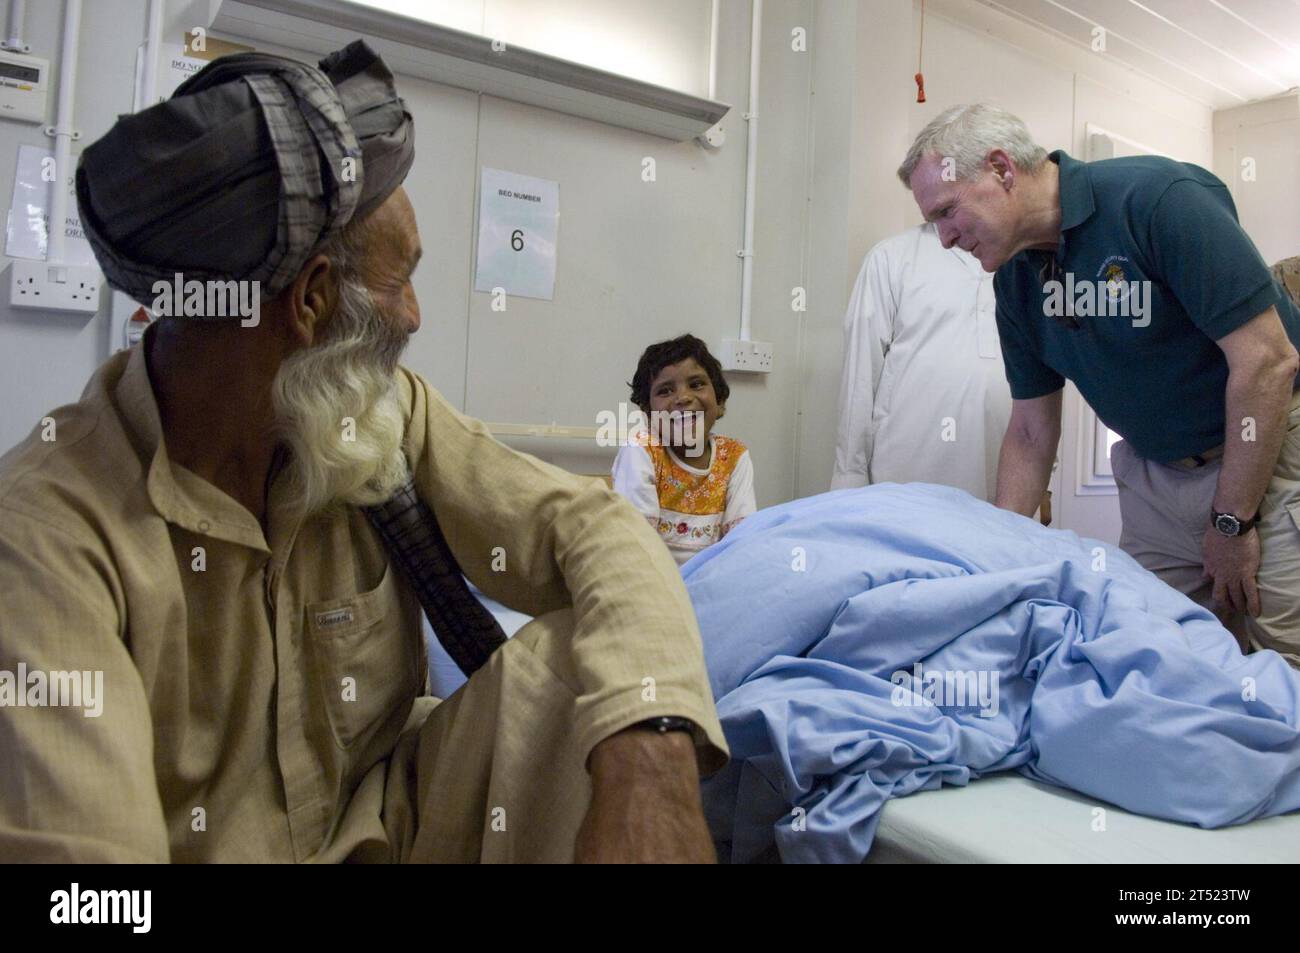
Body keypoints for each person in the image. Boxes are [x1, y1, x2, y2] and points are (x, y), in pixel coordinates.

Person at [0, 42, 727, 862]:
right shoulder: (44, 536)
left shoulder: (370, 416)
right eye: (400, 281)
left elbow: (595, 529)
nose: (414, 316)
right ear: (310, 300)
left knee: (585, 671)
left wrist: (653, 754)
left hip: (395, 828)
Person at [897, 102, 1300, 662]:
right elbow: (1032, 432)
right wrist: (998, 556)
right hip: (1155, 475)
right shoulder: (1016, 282)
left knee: (1286, 666)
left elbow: (1267, 362)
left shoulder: (1158, 199)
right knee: (1160, 662)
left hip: (1270, 454)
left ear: (1001, 169)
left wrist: (1232, 523)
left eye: (946, 212)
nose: (943, 238)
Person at [832, 222, 1011, 502]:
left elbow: (1045, 381)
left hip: (1005, 482)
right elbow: (860, 376)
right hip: (905, 480)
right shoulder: (892, 258)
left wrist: (1048, 478)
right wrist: (848, 481)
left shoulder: (1023, 260)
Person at [612, 334, 756, 566]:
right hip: (650, 583)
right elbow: (635, 547)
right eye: (665, 391)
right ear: (649, 414)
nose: (683, 398)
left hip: (712, 584)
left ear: (719, 402)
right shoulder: (642, 451)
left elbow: (742, 542)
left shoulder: (734, 456)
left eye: (696, 384)